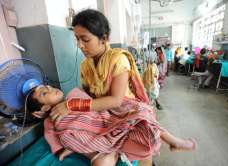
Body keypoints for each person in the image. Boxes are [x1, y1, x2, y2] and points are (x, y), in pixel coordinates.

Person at [35, 9, 196, 165]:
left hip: (121, 107)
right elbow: (90, 99)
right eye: (77, 39)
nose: (80, 46)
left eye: (85, 39)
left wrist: (71, 105)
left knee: (144, 120)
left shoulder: (118, 60)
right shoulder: (85, 66)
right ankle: (104, 150)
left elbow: (116, 101)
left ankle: (173, 142)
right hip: (101, 111)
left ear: (103, 38)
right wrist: (76, 142)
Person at [26, 85, 196, 164]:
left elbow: (98, 109)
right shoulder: (50, 122)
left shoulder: (74, 94)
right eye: (44, 93)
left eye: (47, 86)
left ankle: (173, 141)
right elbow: (54, 138)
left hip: (107, 126)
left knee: (141, 115)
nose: (49, 88)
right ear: (45, 108)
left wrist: (72, 106)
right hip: (94, 148)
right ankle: (113, 151)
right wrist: (63, 149)